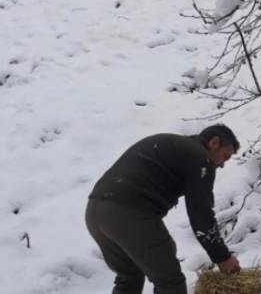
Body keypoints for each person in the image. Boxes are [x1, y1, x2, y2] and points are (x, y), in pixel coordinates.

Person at [85, 124, 241, 294]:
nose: (222, 165)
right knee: (171, 282)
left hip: (96, 211)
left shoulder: (175, 145)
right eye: (225, 157)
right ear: (214, 143)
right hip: (129, 213)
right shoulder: (201, 158)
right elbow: (200, 215)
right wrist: (222, 258)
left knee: (130, 277)